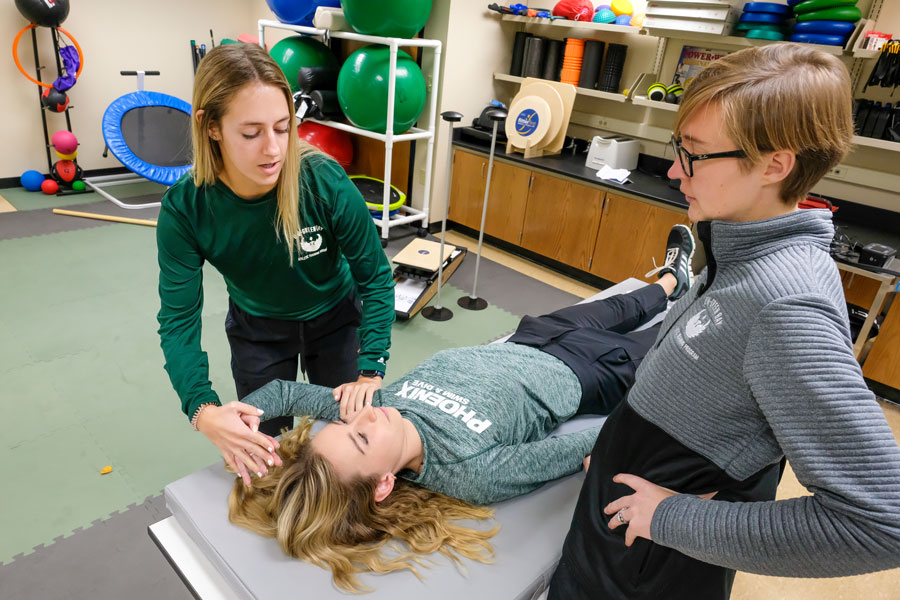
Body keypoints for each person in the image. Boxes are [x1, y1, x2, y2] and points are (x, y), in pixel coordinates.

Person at [548, 44, 900, 600]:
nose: (672, 170)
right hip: (613, 538)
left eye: (694, 154)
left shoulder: (787, 306)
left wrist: (672, 518)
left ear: (775, 165)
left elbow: (882, 523)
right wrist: (617, 445)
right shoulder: (736, 249)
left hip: (644, 575)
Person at [215, 256, 694, 592]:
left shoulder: (371, 409)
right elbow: (581, 447)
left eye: (340, 423)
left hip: (526, 339)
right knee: (674, 337)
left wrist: (238, 425)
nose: (359, 413)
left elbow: (280, 394)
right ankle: (697, 296)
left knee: (621, 306)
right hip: (589, 370)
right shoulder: (468, 470)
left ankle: (675, 278)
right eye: (361, 436)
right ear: (383, 485)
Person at [156, 43, 396, 484]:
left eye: (283, 128)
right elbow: (178, 322)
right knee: (265, 457)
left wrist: (371, 368)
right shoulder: (186, 209)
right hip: (258, 332)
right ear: (211, 128)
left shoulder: (323, 181)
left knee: (348, 450)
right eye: (251, 133)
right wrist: (203, 410)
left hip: (336, 321)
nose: (273, 149)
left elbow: (377, 278)